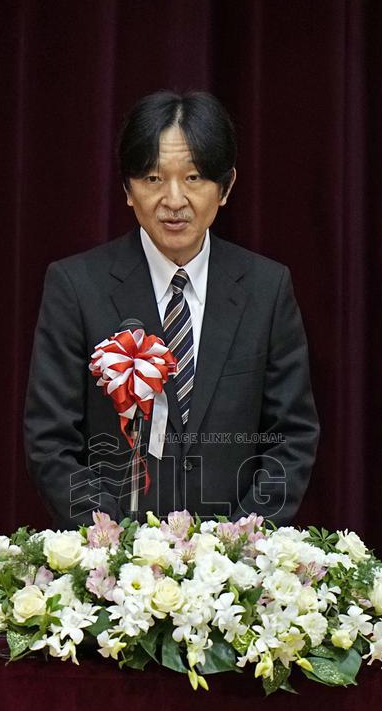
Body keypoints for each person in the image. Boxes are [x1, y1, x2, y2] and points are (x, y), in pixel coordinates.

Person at [24, 90, 319, 529]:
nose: (174, 199)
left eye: (194, 177)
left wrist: (240, 544)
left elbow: (291, 438)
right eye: (153, 178)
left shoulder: (267, 288)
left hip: (236, 559)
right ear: (127, 189)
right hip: (115, 559)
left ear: (226, 187)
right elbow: (51, 442)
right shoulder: (76, 286)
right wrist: (115, 543)